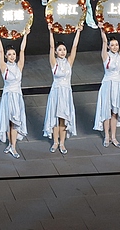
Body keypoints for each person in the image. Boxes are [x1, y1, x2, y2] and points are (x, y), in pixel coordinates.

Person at [93, 28, 120, 148]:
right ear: (109, 46)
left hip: (118, 85)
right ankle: (106, 136)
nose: (115, 47)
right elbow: (103, 41)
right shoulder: (105, 56)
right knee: (106, 111)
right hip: (107, 85)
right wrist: (101, 29)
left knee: (115, 112)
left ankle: (113, 136)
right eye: (112, 45)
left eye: (116, 44)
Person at [44, 26, 76, 154]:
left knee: (64, 118)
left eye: (64, 49)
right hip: (56, 91)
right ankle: (55, 141)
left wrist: (78, 31)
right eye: (60, 50)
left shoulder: (69, 62)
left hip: (66, 92)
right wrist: (51, 32)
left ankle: (62, 143)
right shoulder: (54, 62)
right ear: (56, 52)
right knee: (55, 117)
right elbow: (51, 48)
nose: (62, 52)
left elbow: (74, 47)